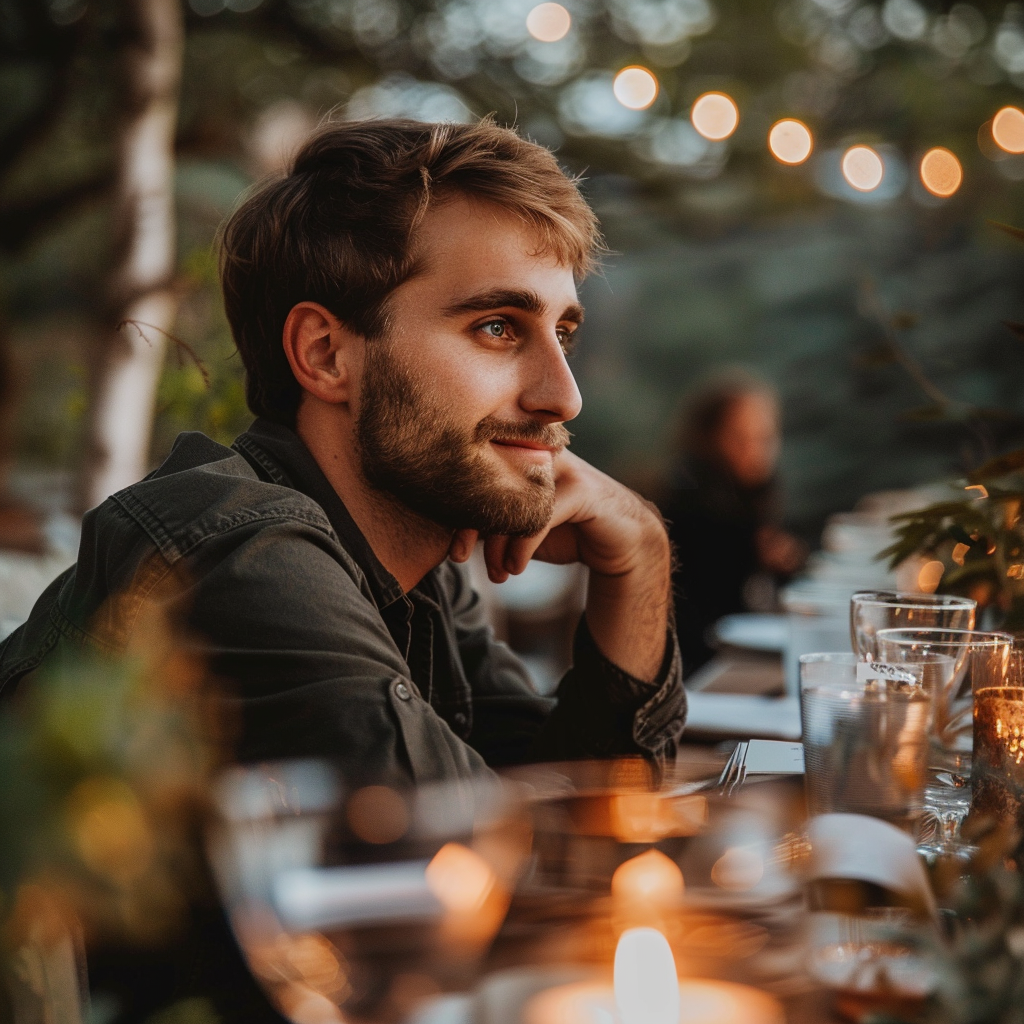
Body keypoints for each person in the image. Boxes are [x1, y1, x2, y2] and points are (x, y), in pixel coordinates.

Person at [0, 118, 686, 787]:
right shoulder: (245, 554)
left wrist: (642, 555)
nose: (564, 398)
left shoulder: (418, 573)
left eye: (561, 333)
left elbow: (574, 800)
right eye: (498, 326)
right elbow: (494, 854)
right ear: (326, 355)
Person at [663, 370, 805, 676]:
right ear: (708, 438)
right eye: (740, 438)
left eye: (765, 438)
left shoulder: (754, 495)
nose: (755, 452)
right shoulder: (687, 503)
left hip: (737, 654)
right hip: (698, 665)